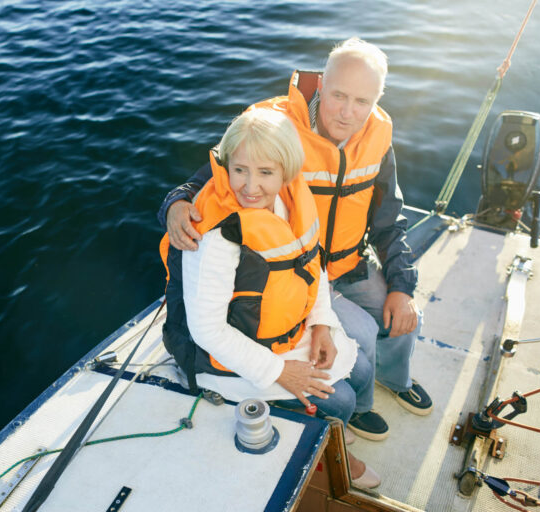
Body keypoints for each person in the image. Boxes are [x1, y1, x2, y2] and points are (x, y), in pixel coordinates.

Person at [158, 37, 432, 442]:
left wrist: (401, 286)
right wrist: (175, 203)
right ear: (320, 85)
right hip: (293, 269)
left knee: (406, 316)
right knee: (361, 336)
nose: (347, 111)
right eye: (339, 95)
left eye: (362, 101)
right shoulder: (276, 126)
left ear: (377, 100)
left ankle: (396, 380)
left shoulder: (377, 139)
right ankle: (354, 408)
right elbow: (216, 175)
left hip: (345, 265)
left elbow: (390, 220)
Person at [160, 107, 380, 488]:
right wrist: (280, 373)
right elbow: (207, 332)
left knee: (360, 371)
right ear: (226, 166)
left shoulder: (291, 202)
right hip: (225, 358)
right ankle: (335, 452)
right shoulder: (215, 236)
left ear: (285, 173)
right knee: (340, 400)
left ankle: (340, 428)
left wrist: (321, 323)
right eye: (240, 169)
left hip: (286, 333)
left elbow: (313, 266)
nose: (250, 186)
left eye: (265, 173)